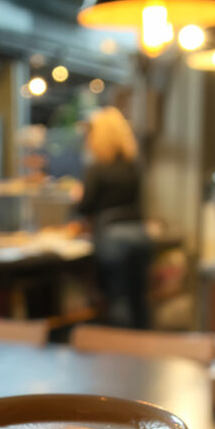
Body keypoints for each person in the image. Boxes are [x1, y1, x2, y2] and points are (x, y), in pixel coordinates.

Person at [76, 107, 150, 328]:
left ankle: (121, 353)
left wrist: (78, 197)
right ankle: (145, 351)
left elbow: (85, 206)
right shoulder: (132, 166)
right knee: (139, 300)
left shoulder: (97, 168)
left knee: (117, 300)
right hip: (139, 233)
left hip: (113, 236)